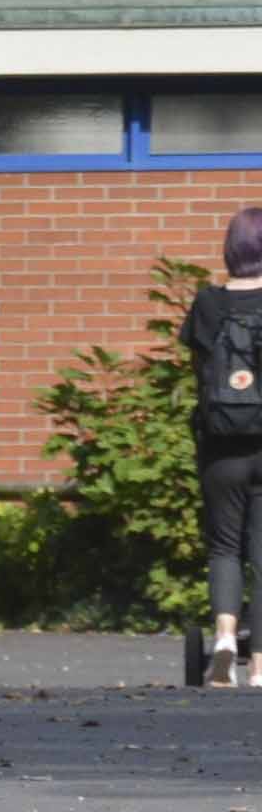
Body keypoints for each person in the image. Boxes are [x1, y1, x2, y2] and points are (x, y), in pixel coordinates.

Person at [188, 210, 262, 685]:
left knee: (224, 547)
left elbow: (200, 372)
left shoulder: (207, 304)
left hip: (221, 445)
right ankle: (260, 667)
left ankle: (225, 639)